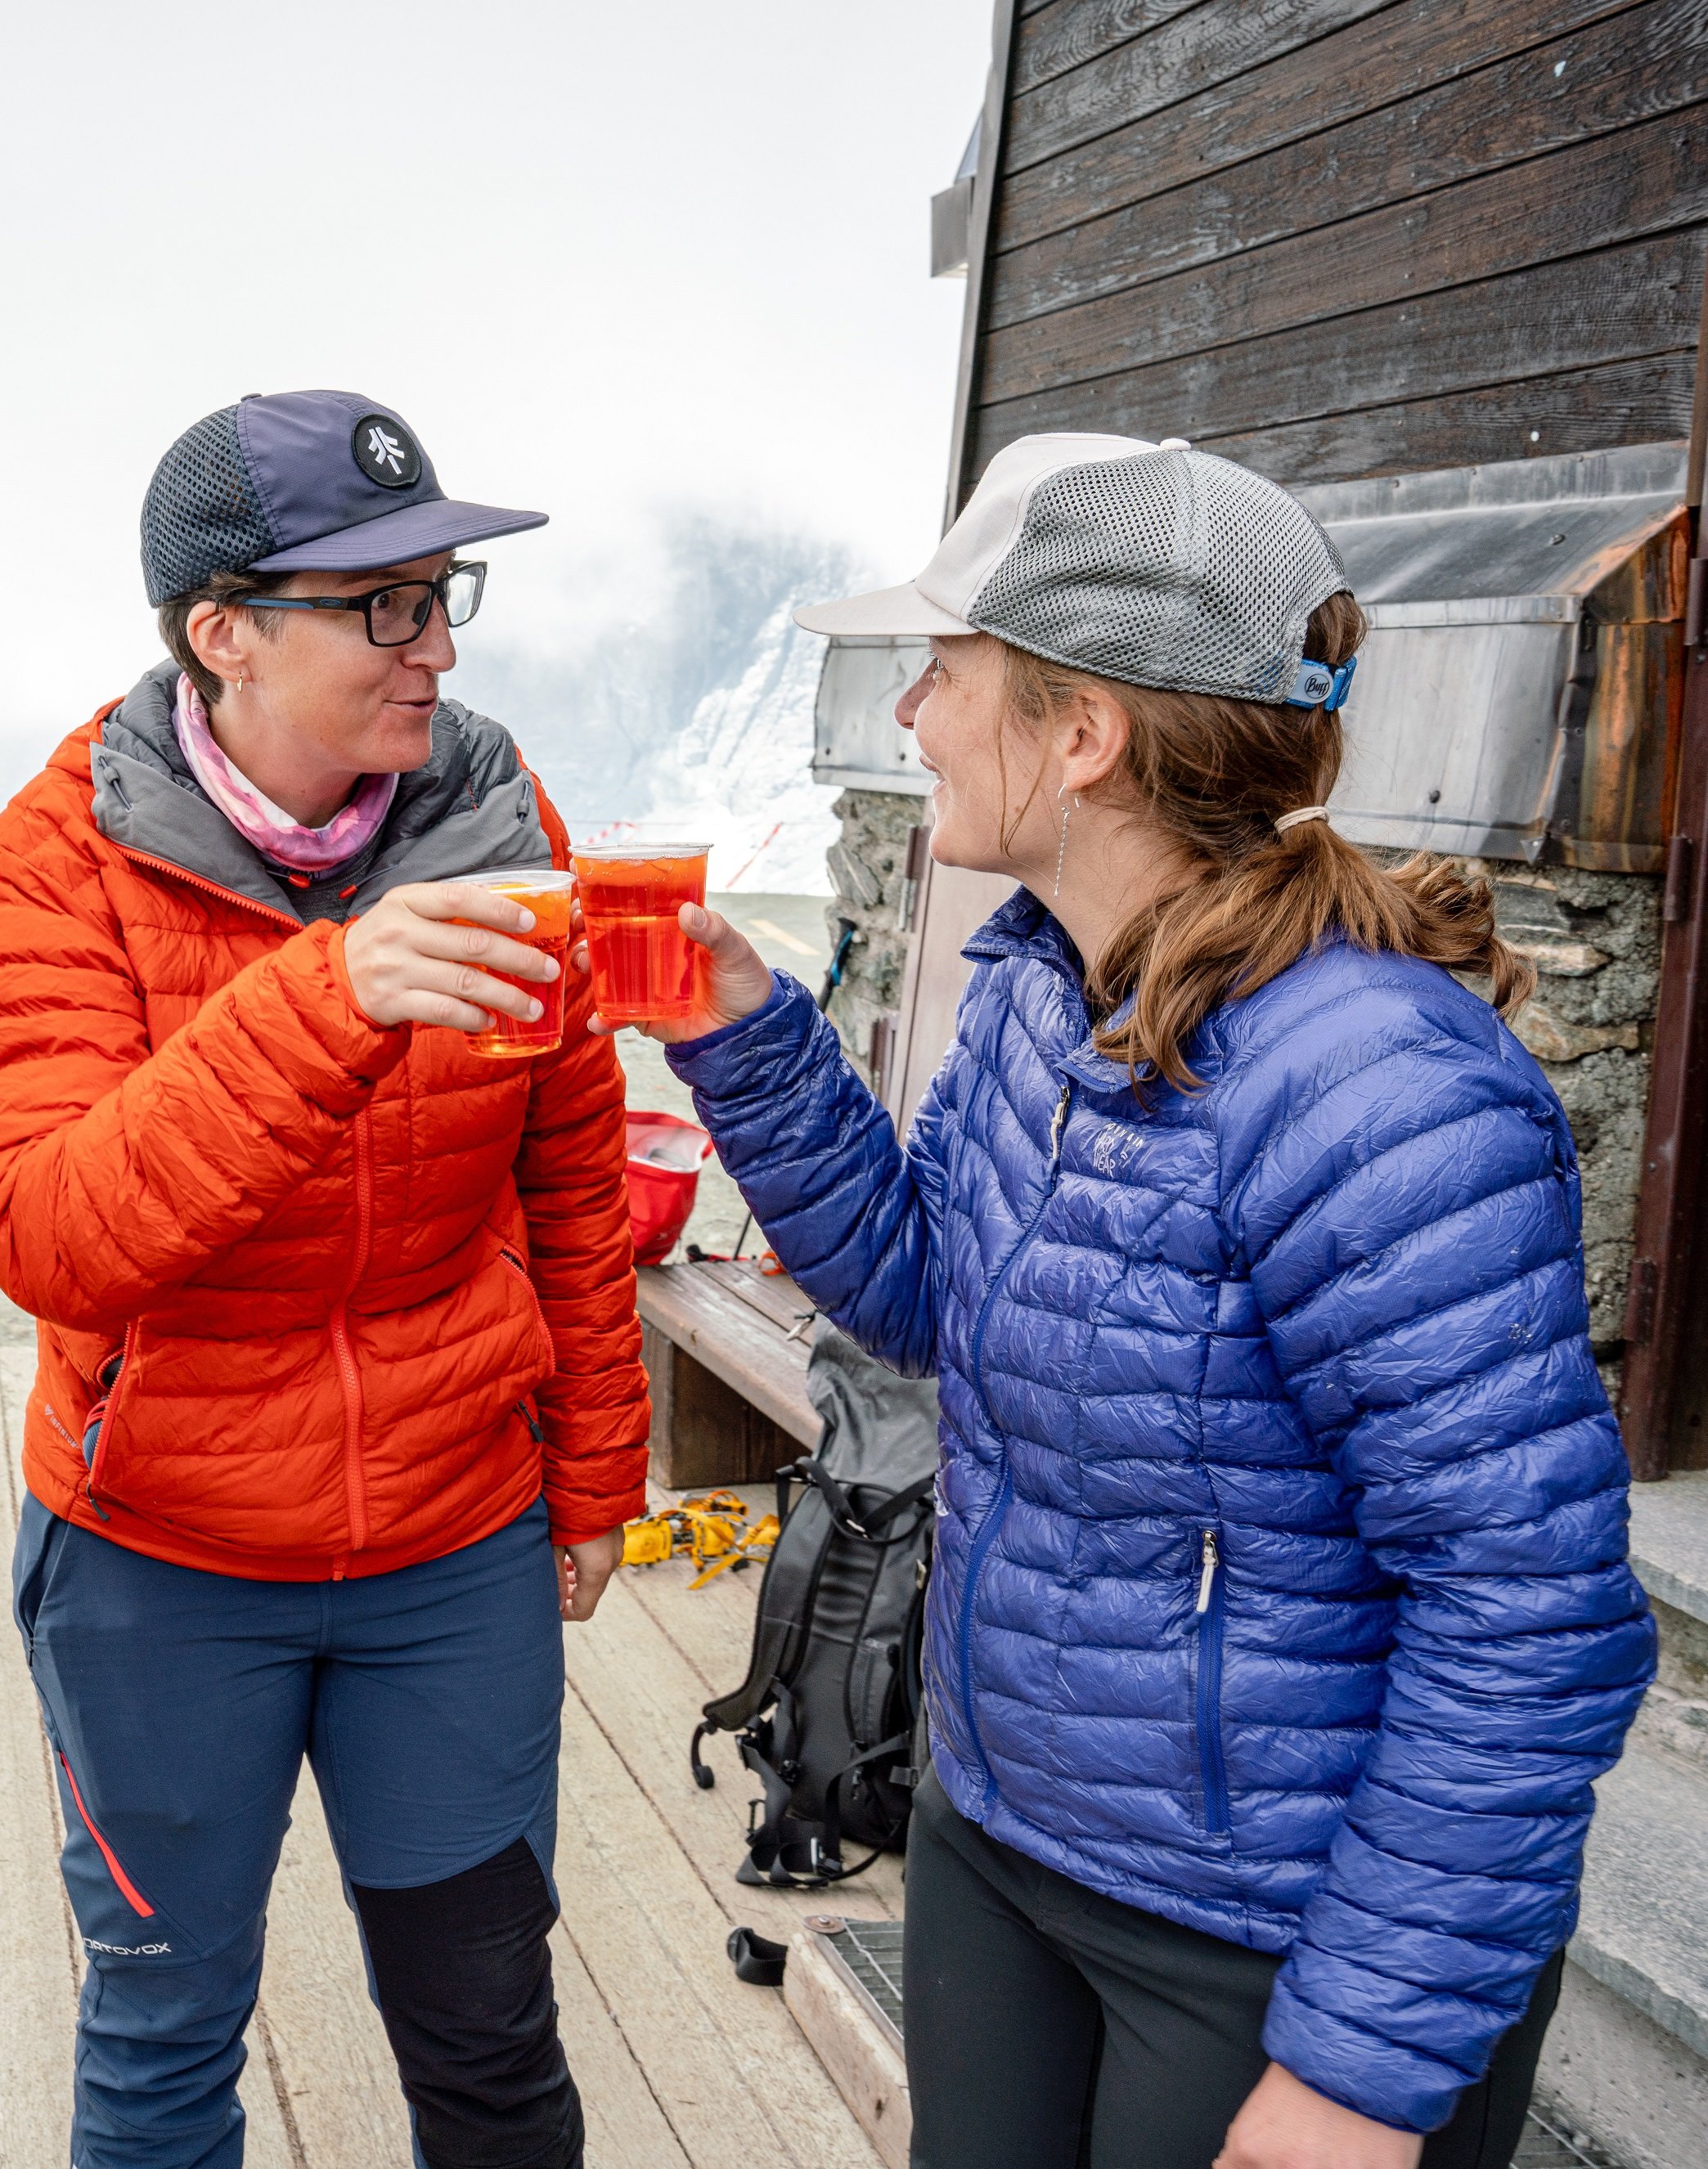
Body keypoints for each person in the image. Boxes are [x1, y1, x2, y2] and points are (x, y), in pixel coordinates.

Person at [652, 433, 1658, 2169]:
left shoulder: (1378, 1089)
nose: (910, 719)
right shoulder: (1046, 987)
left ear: (1082, 734)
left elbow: (1522, 1615)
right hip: (1002, 1836)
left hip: (1264, 1931)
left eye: (942, 675)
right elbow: (922, 1295)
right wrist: (742, 1029)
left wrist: (1355, 2066)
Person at [0, 390, 650, 2169]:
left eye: (438, 598)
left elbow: (570, 1175)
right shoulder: (67, 848)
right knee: (164, 2036)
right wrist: (325, 999)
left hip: (450, 1544)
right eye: (378, 608)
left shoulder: (501, 814)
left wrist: (591, 1475)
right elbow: (43, 1226)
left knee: (487, 2033)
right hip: (158, 1555)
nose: (429, 651)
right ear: (219, 634)